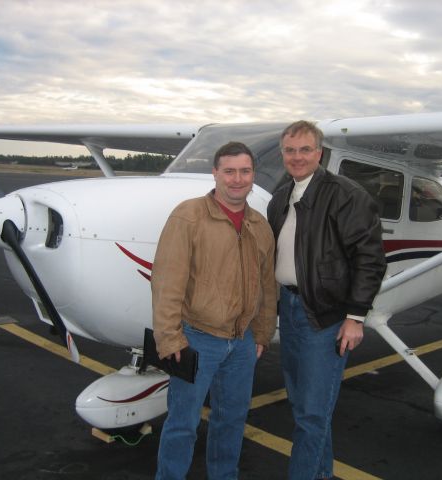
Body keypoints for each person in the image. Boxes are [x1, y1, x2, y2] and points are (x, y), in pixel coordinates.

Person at [267, 121, 386, 480]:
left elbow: (370, 259)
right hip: (288, 310)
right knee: (304, 406)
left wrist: (355, 316)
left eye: (306, 150)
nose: (297, 157)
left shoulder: (346, 195)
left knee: (312, 414)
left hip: (325, 317)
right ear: (283, 153)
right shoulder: (282, 194)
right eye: (291, 150)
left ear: (320, 153)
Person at [151, 141, 277, 480]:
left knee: (232, 421)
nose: (237, 179)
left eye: (245, 171)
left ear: (253, 175)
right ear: (215, 173)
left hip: (242, 344)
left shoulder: (259, 226)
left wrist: (262, 333)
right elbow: (166, 281)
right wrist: (169, 338)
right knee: (182, 424)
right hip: (195, 340)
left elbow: (267, 286)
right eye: (230, 171)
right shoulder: (188, 216)